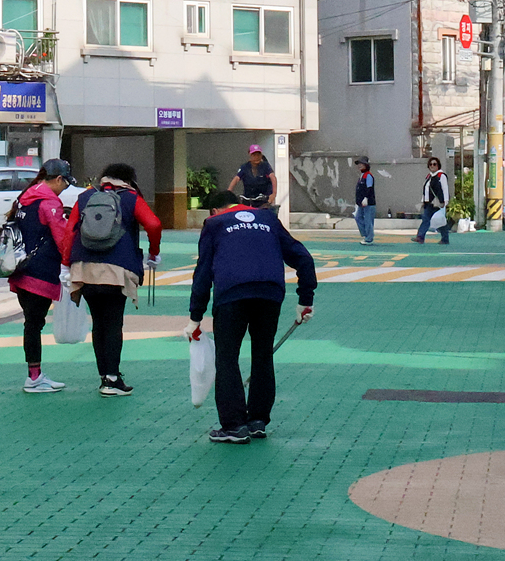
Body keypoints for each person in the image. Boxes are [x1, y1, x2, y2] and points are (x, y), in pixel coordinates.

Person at [190, 190, 316, 444]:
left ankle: (234, 426)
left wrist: (196, 316)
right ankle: (258, 420)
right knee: (262, 354)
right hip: (269, 293)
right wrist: (305, 300)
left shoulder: (214, 224)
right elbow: (303, 258)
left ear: (214, 210)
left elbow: (203, 272)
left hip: (231, 295)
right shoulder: (268, 219)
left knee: (227, 358)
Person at [65, 162, 161, 397]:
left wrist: (65, 263)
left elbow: (70, 230)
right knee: (114, 323)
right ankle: (113, 378)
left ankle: (104, 376)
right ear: (129, 179)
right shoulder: (131, 198)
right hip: (117, 270)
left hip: (84, 268)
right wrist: (153, 253)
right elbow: (153, 224)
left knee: (99, 323)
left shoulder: (86, 196)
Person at [9, 160, 75, 392]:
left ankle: (34, 374)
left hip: (19, 270)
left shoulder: (24, 198)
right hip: (41, 272)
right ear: (58, 179)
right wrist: (68, 266)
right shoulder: (49, 203)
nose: (65, 189)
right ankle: (34, 378)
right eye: (65, 183)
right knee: (34, 324)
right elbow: (62, 239)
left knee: (31, 323)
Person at [415, 156, 451, 245]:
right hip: (428, 203)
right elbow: (425, 190)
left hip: (437, 203)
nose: (432, 166)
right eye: (430, 164)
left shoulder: (441, 176)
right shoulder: (429, 176)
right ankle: (420, 237)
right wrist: (423, 200)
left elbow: (445, 189)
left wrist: (445, 202)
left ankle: (445, 238)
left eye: (434, 164)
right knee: (426, 219)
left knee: (439, 220)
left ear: (438, 165)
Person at [353, 158, 377, 245]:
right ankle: (366, 234)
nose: (359, 166)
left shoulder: (368, 175)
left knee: (368, 221)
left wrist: (366, 198)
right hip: (361, 203)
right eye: (359, 164)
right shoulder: (362, 176)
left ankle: (369, 238)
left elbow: (369, 188)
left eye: (361, 164)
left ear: (366, 165)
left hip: (368, 203)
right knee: (358, 217)